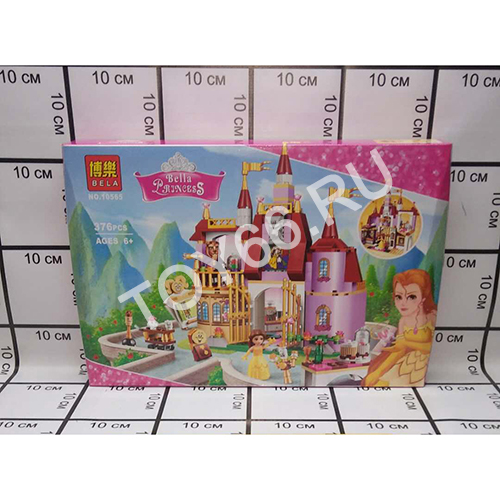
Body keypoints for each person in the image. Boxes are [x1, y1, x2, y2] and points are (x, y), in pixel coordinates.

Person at [362, 269, 437, 387]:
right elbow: (398, 351)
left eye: (411, 297)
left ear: (423, 297)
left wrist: (406, 343)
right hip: (405, 362)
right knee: (378, 381)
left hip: (421, 365)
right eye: (399, 297)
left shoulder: (431, 317)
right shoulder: (403, 321)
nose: (403, 303)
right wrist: (377, 373)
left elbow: (429, 348)